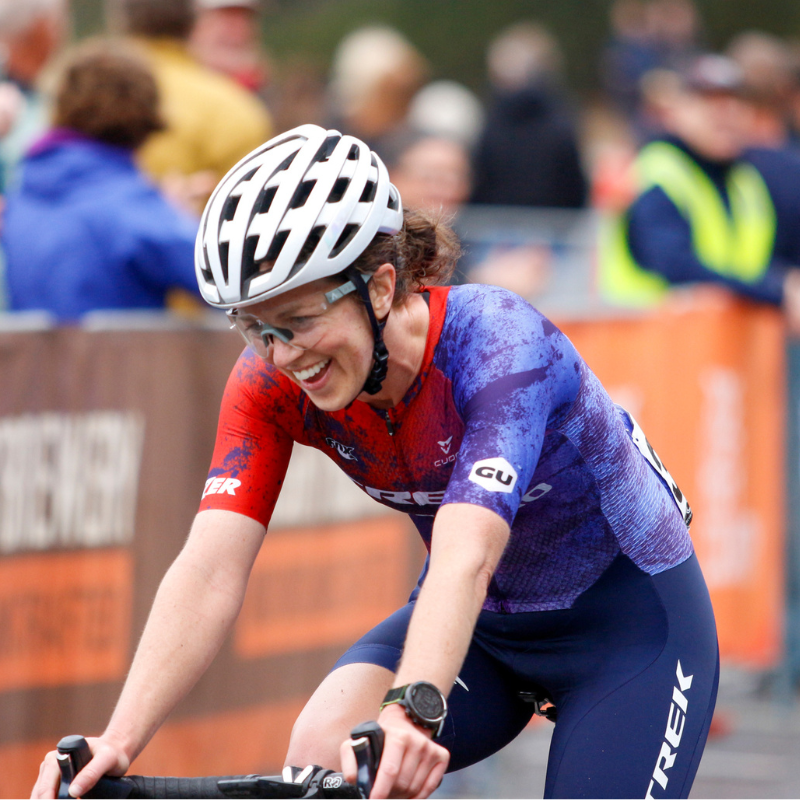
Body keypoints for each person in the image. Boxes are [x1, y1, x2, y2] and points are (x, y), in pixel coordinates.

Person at [32, 124, 718, 799]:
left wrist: (412, 708)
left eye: (298, 321)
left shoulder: (499, 346)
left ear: (381, 287)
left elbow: (467, 552)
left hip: (628, 630)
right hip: (486, 628)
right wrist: (116, 743)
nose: (282, 356)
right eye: (255, 328)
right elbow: (210, 566)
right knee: (321, 757)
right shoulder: (269, 382)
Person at [2, 40, 201, 321]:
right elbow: (226, 278)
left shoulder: (21, 198)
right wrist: (177, 217)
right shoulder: (134, 207)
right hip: (118, 364)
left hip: (29, 365)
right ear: (144, 122)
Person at [600, 53, 800, 328]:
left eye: (735, 101)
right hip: (648, 354)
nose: (725, 112)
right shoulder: (659, 172)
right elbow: (676, 265)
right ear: (677, 110)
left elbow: (752, 263)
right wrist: (776, 292)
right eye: (709, 101)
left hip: (721, 356)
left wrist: (783, 282)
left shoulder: (746, 182)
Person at [105, 0, 272, 209]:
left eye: (245, 18)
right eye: (223, 18)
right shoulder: (237, 112)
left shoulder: (84, 88)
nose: (238, 32)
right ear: (188, 19)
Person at [470, 22, 588, 209]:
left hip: (495, 226)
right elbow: (575, 186)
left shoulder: (490, 122)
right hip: (554, 227)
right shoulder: (561, 119)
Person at [0, 0, 68, 193]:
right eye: (55, 21)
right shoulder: (7, 89)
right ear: (39, 24)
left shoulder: (45, 91)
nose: (61, 30)